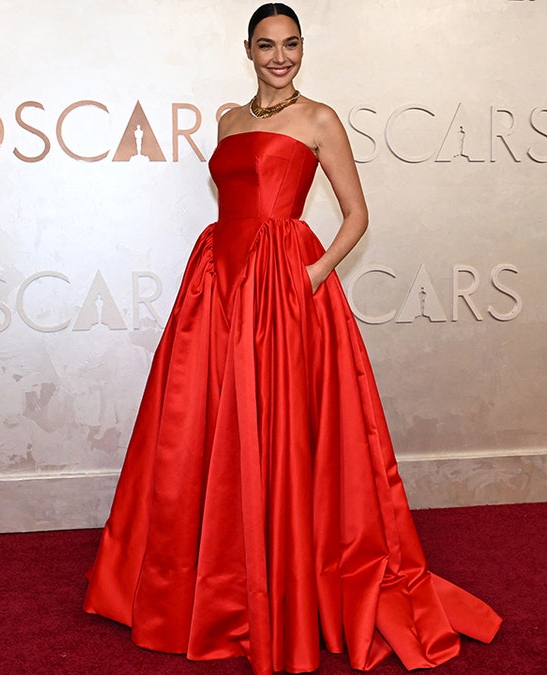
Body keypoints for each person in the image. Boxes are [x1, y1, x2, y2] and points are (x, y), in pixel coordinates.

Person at [83, 4, 502, 673]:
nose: (281, 57)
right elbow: (233, 204)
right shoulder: (227, 119)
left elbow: (358, 213)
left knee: (286, 427)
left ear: (302, 49)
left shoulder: (320, 119)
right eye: (268, 45)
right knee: (201, 424)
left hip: (286, 287)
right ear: (247, 49)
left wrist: (314, 271)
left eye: (292, 45)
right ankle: (211, 578)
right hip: (218, 282)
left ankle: (285, 576)